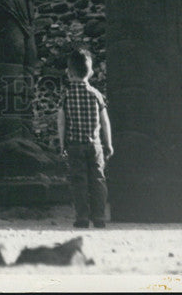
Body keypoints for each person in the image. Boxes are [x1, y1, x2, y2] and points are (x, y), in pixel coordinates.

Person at [57, 47, 114, 228]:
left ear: (68, 72)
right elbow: (105, 122)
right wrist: (109, 143)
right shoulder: (96, 95)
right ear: (90, 72)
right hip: (95, 145)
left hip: (74, 145)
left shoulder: (66, 96)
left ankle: (82, 217)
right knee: (98, 179)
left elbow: (61, 123)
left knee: (78, 181)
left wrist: (61, 144)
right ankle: (99, 217)